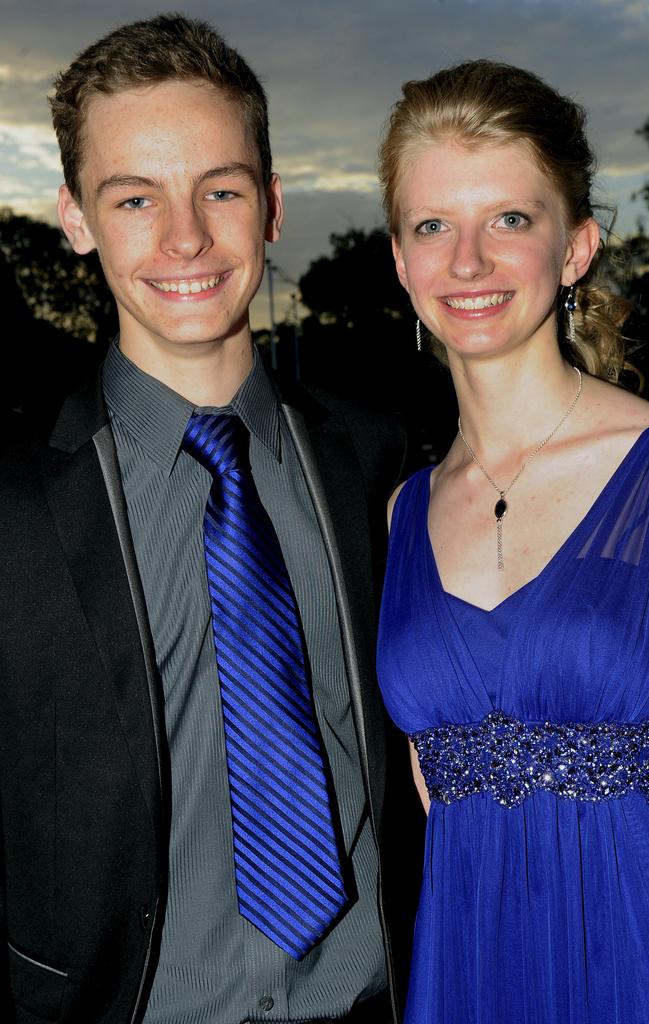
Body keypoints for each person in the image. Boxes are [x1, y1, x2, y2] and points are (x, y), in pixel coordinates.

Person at [0, 15, 409, 1024]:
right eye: (135, 197)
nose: (184, 237)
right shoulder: (11, 503)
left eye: (219, 190)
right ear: (76, 217)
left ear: (270, 206)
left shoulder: (387, 465)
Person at [375, 60, 649, 1023]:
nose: (468, 261)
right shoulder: (402, 513)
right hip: (468, 976)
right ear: (400, 260)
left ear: (577, 246)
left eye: (510, 219)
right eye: (434, 225)